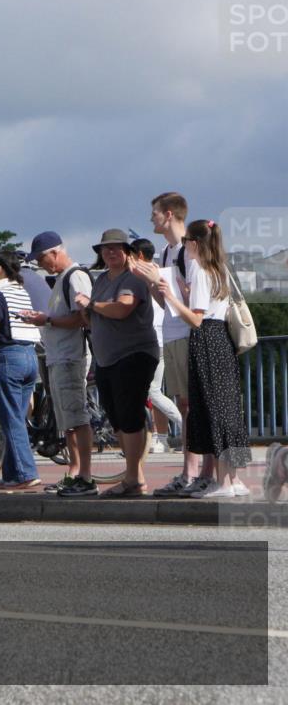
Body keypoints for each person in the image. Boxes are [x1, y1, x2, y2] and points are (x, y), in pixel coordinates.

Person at [157, 220, 251, 498]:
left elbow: (197, 318)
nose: (184, 246)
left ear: (194, 243)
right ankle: (233, 479)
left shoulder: (198, 269)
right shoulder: (219, 268)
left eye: (186, 241)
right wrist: (185, 292)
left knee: (212, 409)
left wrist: (172, 298)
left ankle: (222, 483)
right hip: (222, 339)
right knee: (228, 409)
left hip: (206, 340)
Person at [74, 229, 158, 497]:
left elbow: (122, 308)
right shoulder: (101, 280)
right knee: (117, 418)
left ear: (127, 251)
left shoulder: (132, 278)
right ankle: (136, 477)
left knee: (130, 416)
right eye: (105, 248)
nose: (110, 252)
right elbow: (94, 317)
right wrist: (86, 310)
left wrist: (92, 304)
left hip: (133, 354)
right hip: (106, 358)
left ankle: (133, 478)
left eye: (116, 247)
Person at [131, 192, 202, 496]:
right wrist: (150, 280)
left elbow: (195, 300)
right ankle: (189, 471)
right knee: (184, 404)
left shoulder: (190, 249)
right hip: (172, 334)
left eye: (156, 213)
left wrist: (159, 282)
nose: (152, 219)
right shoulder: (165, 252)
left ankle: (194, 472)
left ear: (169, 214)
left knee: (192, 405)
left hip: (189, 334)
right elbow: (164, 301)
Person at [19, 232, 97, 496]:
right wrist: (43, 317)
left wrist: (48, 320)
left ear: (55, 252)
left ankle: (85, 475)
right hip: (58, 356)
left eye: (42, 259)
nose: (41, 264)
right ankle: (75, 472)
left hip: (70, 356)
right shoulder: (62, 279)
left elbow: (82, 317)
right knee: (67, 421)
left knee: (77, 417)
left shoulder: (75, 276)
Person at [0, 251, 43, 489]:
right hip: (30, 356)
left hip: (9, 358)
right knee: (17, 418)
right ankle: (11, 474)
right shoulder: (21, 291)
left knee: (11, 419)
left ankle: (26, 473)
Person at [130, 238, 183, 455]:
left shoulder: (143, 276)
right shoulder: (159, 273)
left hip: (154, 339)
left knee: (152, 392)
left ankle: (187, 425)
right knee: (156, 392)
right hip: (164, 337)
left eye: (131, 255)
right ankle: (161, 439)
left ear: (140, 256)